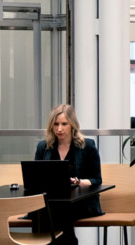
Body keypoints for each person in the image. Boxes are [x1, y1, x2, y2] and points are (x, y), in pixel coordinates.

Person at [33, 104, 102, 245]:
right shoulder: (43, 147)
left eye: (64, 124)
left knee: (56, 211)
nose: (59, 129)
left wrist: (78, 182)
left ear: (72, 125)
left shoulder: (87, 146)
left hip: (79, 201)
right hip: (50, 201)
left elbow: (97, 180)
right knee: (43, 210)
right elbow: (36, 178)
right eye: (56, 124)